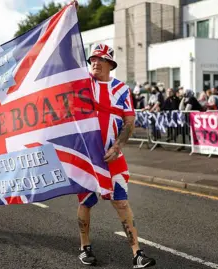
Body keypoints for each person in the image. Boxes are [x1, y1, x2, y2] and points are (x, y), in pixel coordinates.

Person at [76, 41, 156, 268]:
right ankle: (85, 247)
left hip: (114, 157)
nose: (95, 62)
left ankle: (137, 254)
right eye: (92, 59)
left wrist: (118, 145)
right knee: (86, 201)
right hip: (88, 158)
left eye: (100, 59)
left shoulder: (121, 89)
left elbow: (129, 121)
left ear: (110, 64)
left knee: (122, 203)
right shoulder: (82, 85)